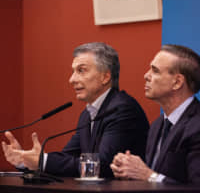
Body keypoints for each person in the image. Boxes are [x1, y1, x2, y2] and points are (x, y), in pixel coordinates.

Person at [2, 42, 149, 178]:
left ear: (105, 77)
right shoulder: (88, 114)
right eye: (73, 71)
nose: (72, 79)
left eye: (81, 71)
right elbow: (68, 158)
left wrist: (43, 161)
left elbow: (103, 166)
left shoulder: (122, 110)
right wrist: (25, 160)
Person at [111, 44, 200, 184]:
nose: (146, 76)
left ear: (177, 82)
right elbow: (154, 177)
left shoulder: (197, 126)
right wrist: (130, 171)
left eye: (155, 71)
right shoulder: (157, 125)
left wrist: (148, 175)